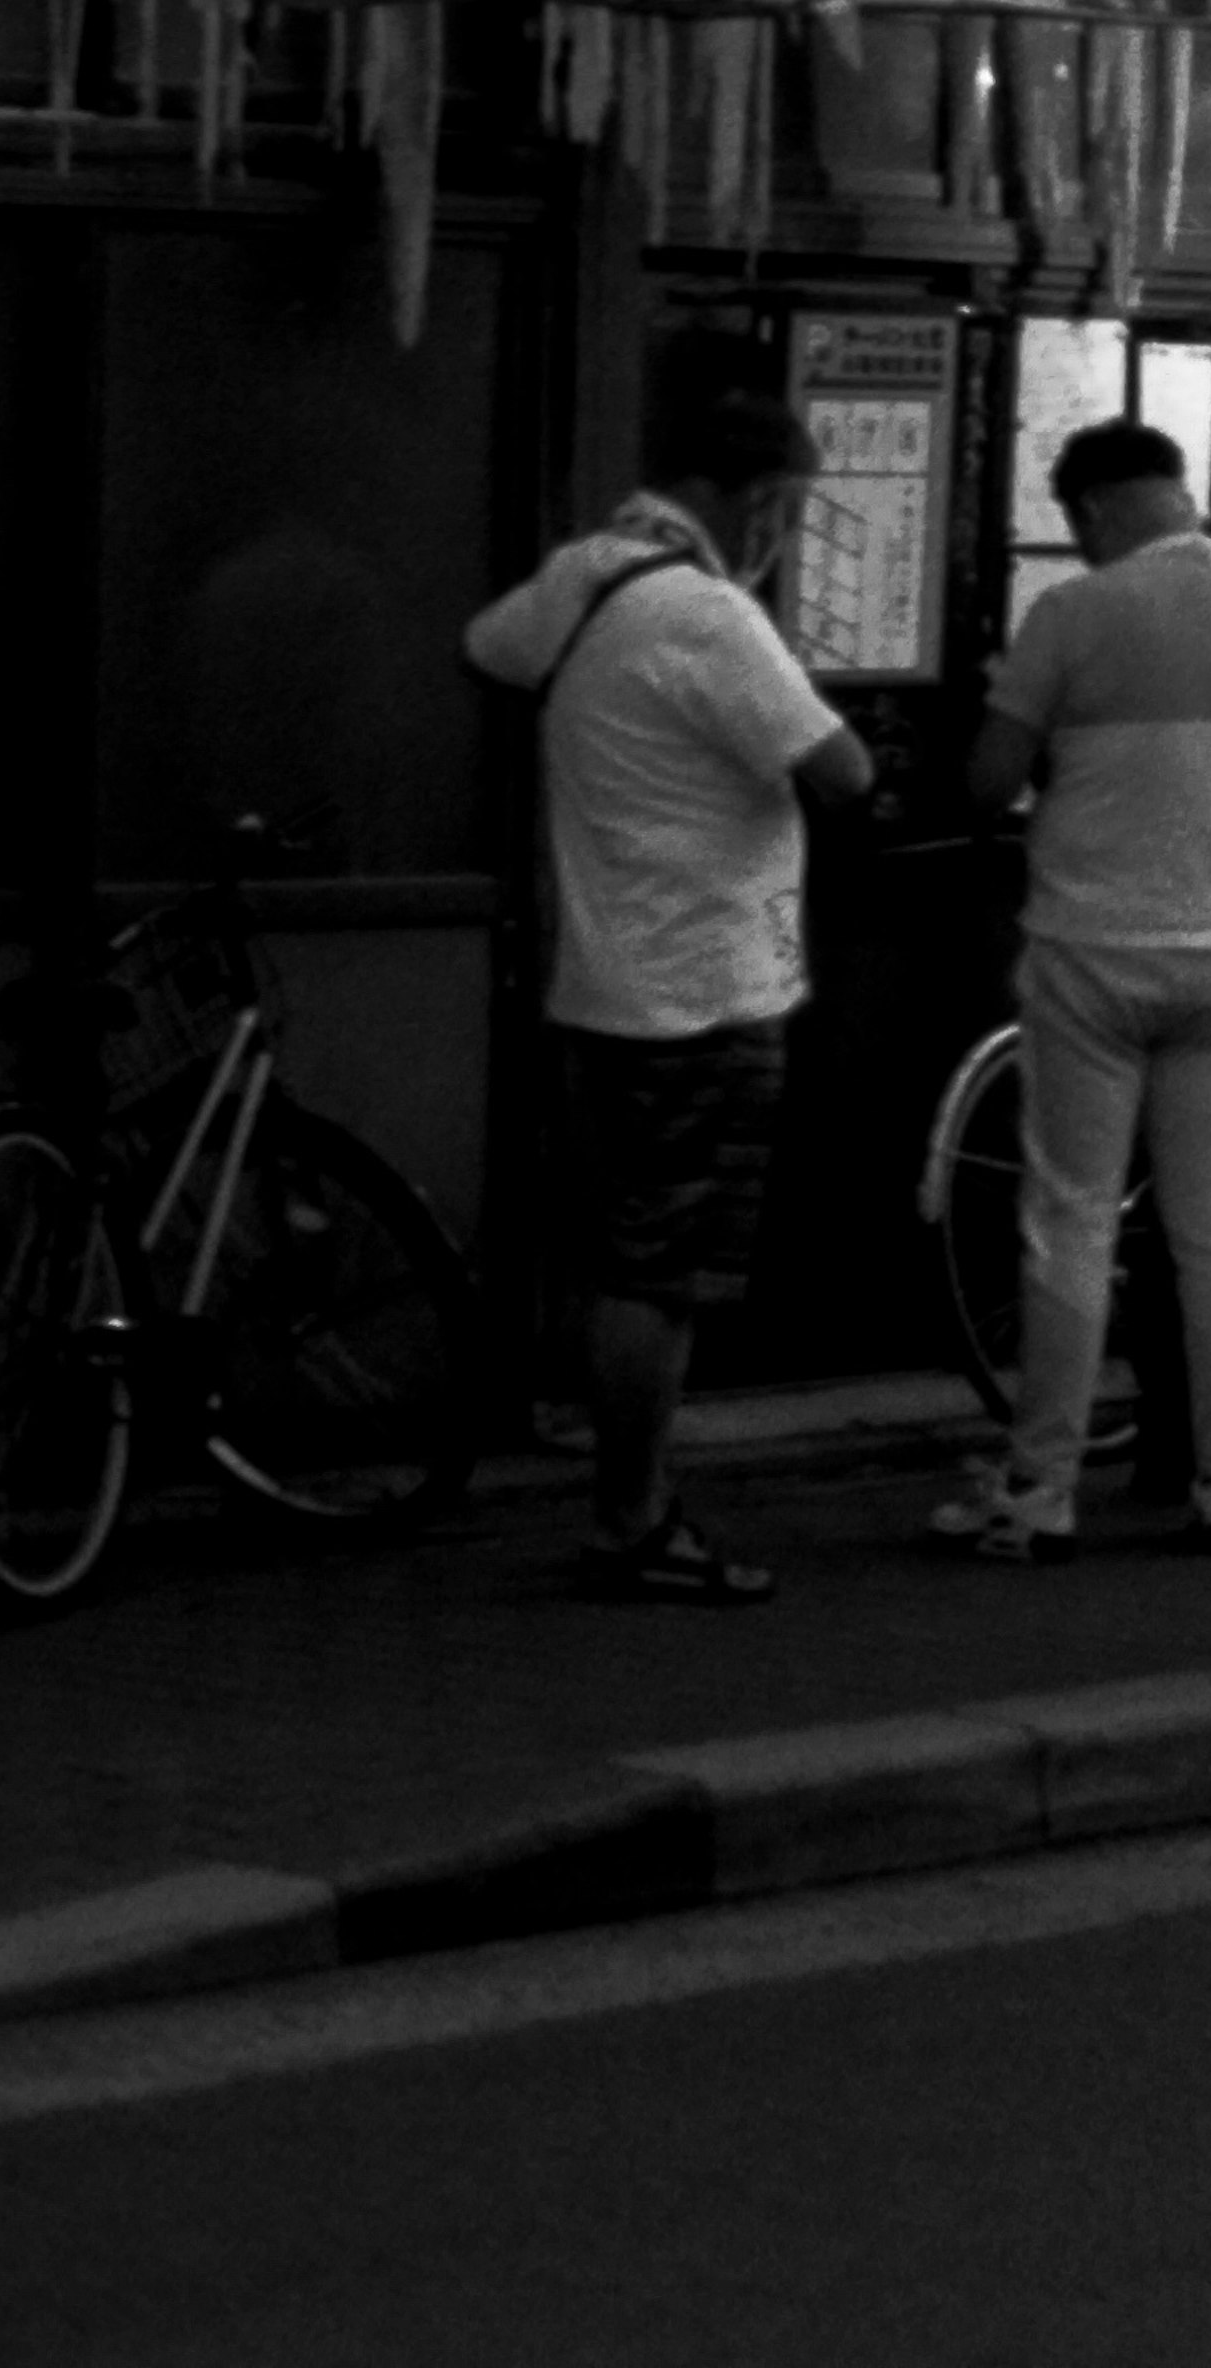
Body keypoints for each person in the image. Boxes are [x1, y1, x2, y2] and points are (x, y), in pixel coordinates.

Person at [941, 418, 1211, 1564]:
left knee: (1072, 1218)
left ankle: (1040, 1490)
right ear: (1180, 491)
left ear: (1090, 511)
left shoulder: (1074, 614)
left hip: (1092, 952)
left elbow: (987, 783)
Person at [465, 377, 872, 1605]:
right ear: (740, 494)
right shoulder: (703, 614)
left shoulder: (584, 579)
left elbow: (487, 650)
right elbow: (842, 771)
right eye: (787, 508)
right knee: (663, 1272)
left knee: (625, 1253)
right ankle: (635, 1518)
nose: (786, 537)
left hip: (602, 980)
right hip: (703, 986)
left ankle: (630, 1506)